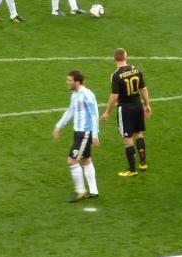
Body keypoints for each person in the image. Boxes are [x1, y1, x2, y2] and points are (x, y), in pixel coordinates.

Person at [100, 48, 151, 176]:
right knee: (139, 133)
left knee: (128, 138)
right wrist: (147, 105)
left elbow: (114, 96)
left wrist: (107, 112)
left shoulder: (116, 75)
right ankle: (143, 163)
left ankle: (132, 170)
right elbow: (143, 89)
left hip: (125, 109)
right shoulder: (136, 70)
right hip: (137, 105)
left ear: (114, 59)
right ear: (126, 57)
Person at [52, 70, 100, 201]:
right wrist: (59, 126)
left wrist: (95, 135)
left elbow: (94, 115)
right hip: (78, 133)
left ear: (77, 82)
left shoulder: (87, 95)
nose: (67, 82)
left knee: (72, 161)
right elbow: (70, 111)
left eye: (69, 80)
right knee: (86, 160)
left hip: (85, 133)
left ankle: (80, 191)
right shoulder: (75, 95)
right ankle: (94, 191)